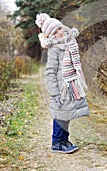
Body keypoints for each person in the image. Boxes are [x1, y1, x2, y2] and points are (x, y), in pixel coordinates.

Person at [35, 13, 89, 154]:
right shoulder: (54, 49)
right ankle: (57, 143)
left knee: (67, 115)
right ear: (50, 36)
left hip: (69, 86)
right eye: (54, 32)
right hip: (60, 89)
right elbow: (50, 72)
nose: (59, 33)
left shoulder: (70, 44)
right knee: (60, 115)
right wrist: (54, 94)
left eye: (59, 28)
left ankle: (65, 140)